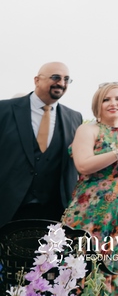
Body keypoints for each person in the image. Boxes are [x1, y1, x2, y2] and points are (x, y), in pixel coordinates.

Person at [61, 82, 118, 275]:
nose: (113, 103)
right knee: (81, 265)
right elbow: (83, 165)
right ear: (98, 104)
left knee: (110, 268)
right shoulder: (89, 130)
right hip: (90, 208)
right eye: (106, 99)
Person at [0, 62, 83, 226]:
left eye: (66, 79)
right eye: (55, 77)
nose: (61, 83)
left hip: (53, 211)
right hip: (7, 205)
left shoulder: (74, 117)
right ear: (37, 80)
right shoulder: (4, 110)